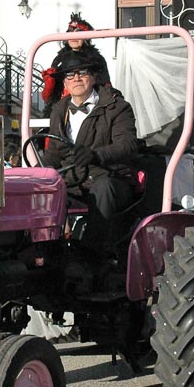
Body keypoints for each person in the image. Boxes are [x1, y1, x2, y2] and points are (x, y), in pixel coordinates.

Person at [44, 52, 139, 250]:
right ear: (65, 82)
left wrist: (96, 155)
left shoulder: (116, 107)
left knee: (103, 189)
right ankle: (45, 251)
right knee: (39, 191)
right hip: (72, 180)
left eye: (82, 73)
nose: (76, 79)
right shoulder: (59, 110)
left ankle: (93, 253)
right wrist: (37, 175)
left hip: (109, 177)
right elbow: (53, 154)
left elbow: (127, 144)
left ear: (94, 77)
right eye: (70, 75)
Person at [42, 13, 111, 117]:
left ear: (86, 37)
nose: (74, 36)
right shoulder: (59, 59)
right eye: (70, 32)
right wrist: (49, 84)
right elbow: (51, 97)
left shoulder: (97, 60)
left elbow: (105, 87)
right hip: (63, 109)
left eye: (79, 32)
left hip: (90, 107)